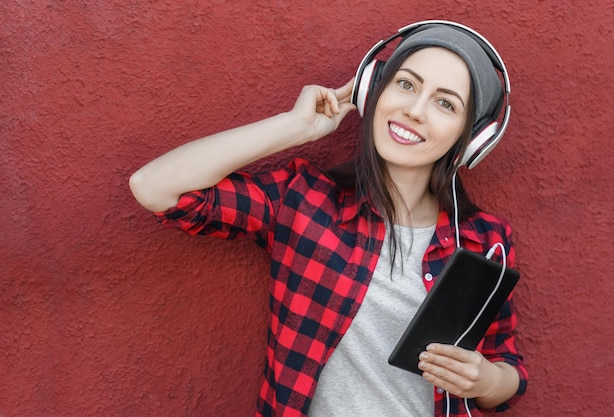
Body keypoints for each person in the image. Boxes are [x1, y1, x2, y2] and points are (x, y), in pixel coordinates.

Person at [129, 21, 527, 417]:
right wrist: (294, 127)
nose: (414, 110)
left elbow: (507, 372)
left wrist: (486, 381)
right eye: (406, 84)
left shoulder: (484, 239)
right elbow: (155, 187)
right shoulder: (304, 201)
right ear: (374, 90)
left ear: (473, 137)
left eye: (446, 103)